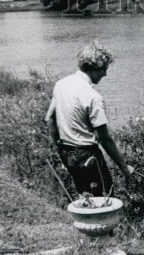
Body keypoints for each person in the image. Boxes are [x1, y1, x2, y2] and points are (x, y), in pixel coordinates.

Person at [45, 40, 134, 196]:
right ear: (95, 67)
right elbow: (104, 139)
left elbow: (50, 119)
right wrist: (125, 169)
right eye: (104, 69)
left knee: (85, 198)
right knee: (105, 201)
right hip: (88, 157)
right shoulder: (93, 96)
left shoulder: (61, 84)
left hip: (69, 154)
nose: (105, 74)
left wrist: (60, 150)